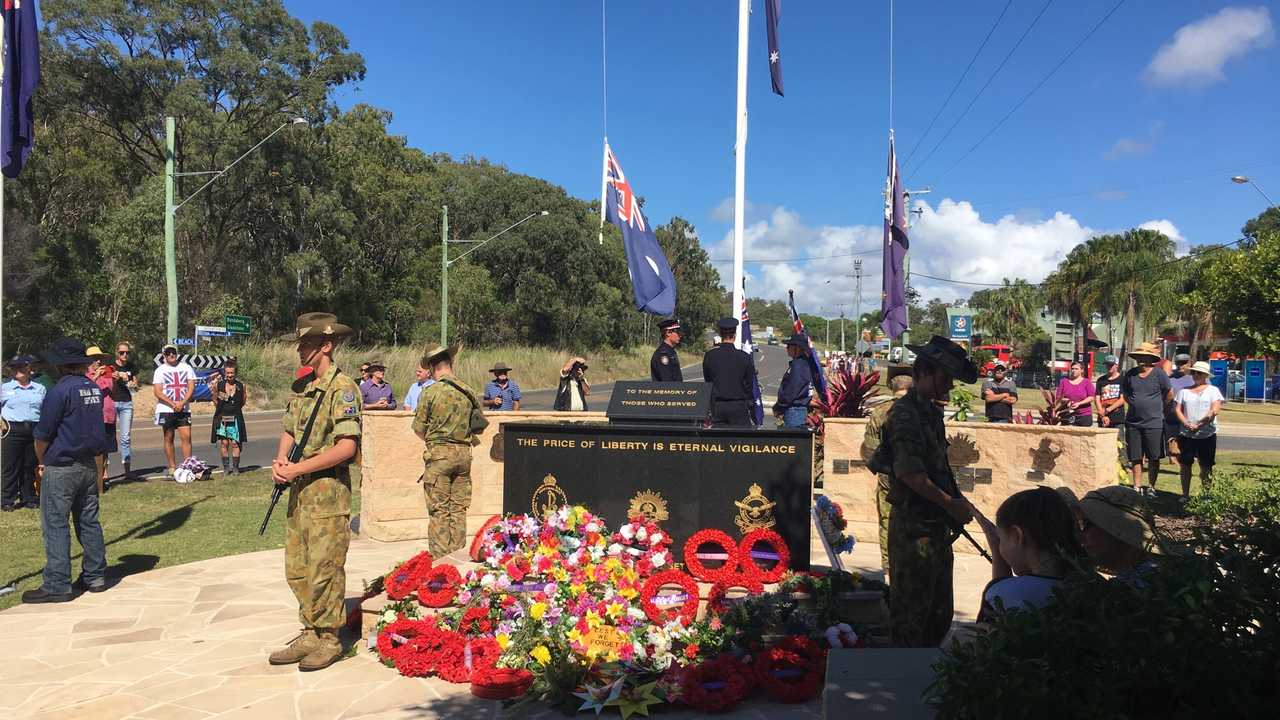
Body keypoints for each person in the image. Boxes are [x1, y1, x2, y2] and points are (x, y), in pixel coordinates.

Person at [267, 313, 362, 671]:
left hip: (327, 495)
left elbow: (346, 447)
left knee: (325, 568)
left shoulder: (343, 389)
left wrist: (298, 468)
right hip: (299, 493)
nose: (301, 350)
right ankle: (309, 630)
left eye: (307, 344)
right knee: (298, 568)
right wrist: (280, 463)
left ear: (326, 345)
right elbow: (290, 429)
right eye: (300, 344)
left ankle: (330, 638)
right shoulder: (304, 387)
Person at [878, 335, 978, 647]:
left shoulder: (930, 413)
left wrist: (955, 502)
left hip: (934, 528)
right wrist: (951, 504)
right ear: (923, 372)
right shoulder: (905, 414)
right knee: (912, 617)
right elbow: (910, 474)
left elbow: (937, 468)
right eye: (945, 378)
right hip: (914, 530)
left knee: (938, 613)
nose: (949, 387)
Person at [23, 338, 109, 603]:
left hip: (61, 466)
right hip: (87, 464)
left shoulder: (59, 391)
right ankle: (95, 576)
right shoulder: (92, 388)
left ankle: (57, 583)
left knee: (56, 524)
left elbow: (43, 434)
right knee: (88, 521)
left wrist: (41, 461)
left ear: (60, 365)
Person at [972, 487, 1088, 621]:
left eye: (1001, 539)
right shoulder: (1093, 589)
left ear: (1016, 536)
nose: (1000, 547)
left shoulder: (1000, 594)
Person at [412, 342, 480, 557]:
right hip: (464, 456)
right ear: (450, 363)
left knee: (439, 511)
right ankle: (458, 560)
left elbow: (419, 429)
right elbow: (477, 425)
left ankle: (440, 566)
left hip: (439, 456)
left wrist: (438, 441)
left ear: (432, 367)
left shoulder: (430, 392)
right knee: (458, 510)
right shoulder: (468, 391)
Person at [861, 365, 913, 582]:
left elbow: (870, 453)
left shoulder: (880, 412)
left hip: (889, 480)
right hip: (922, 481)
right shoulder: (924, 410)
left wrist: (886, 471)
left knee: (887, 522)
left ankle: (889, 570)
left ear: (892, 386)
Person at [1121, 342, 1172, 497]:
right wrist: (1137, 404)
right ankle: (1137, 487)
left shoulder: (1159, 374)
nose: (1142, 359)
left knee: (1154, 456)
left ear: (1151, 358)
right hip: (1133, 423)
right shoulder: (1130, 374)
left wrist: (1160, 409)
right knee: (1135, 456)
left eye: (1145, 356)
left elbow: (1169, 394)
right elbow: (1126, 394)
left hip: (1154, 422)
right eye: (1139, 356)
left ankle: (1151, 487)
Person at [1076, 485, 1160, 577]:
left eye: (1086, 524)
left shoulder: (1142, 585)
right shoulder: (1132, 572)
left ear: (1115, 533)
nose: (1080, 535)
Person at [1173, 361, 1223, 502]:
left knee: (1206, 466)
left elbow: (1215, 410)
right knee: (1185, 465)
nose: (1196, 375)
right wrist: (1186, 423)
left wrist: (1200, 424)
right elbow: (1177, 409)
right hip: (1186, 434)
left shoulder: (1213, 390)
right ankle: (1185, 495)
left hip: (1207, 434)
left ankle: (1206, 494)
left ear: (1206, 375)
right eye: (1194, 373)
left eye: (1199, 373)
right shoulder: (1183, 391)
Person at [2, 355, 45, 511]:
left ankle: (28, 497)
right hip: (11, 429)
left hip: (33, 429)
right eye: (14, 367)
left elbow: (44, 410)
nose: (17, 370)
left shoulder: (40, 389)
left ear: (29, 368)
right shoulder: (5, 388)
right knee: (10, 465)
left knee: (29, 465)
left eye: (21, 366)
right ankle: (8, 499)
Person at [702, 317, 756, 427]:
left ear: (720, 335)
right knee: (740, 443)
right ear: (734, 335)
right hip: (739, 407)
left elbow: (708, 381)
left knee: (718, 443)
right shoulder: (744, 357)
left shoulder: (710, 356)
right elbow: (749, 385)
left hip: (717, 407)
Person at [153, 344, 196, 479]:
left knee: (186, 437)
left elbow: (191, 386)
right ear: (164, 355)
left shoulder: (186, 368)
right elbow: (157, 391)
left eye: (173, 352)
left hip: (183, 409)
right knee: (168, 437)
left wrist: (182, 403)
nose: (171, 355)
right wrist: (172, 404)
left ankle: (188, 466)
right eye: (168, 353)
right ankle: (172, 467)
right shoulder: (160, 370)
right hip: (166, 409)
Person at [85, 347, 117, 492]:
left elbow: (114, 393)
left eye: (100, 358)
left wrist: (117, 379)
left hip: (108, 416)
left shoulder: (108, 374)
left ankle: (104, 476)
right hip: (93, 418)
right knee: (93, 450)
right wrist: (96, 377)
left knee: (106, 449)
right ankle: (92, 479)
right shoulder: (85, 376)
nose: (99, 361)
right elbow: (85, 390)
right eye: (95, 358)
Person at [210, 360, 248, 475]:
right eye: (227, 373)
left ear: (235, 373)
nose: (230, 375)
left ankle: (235, 468)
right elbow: (215, 399)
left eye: (232, 373)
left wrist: (233, 409)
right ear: (224, 373)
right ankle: (226, 469)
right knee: (224, 443)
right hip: (222, 418)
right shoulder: (219, 385)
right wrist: (221, 409)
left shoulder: (241, 386)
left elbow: (242, 401)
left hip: (236, 417)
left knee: (235, 443)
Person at [109, 342, 139, 478]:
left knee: (125, 438)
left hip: (126, 403)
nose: (125, 355)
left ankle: (127, 471)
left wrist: (131, 383)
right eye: (122, 352)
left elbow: (136, 387)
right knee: (108, 437)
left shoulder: (132, 367)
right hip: (111, 403)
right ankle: (104, 473)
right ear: (117, 353)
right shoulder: (111, 366)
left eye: (127, 352)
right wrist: (113, 376)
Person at [774, 334, 814, 428]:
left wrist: (779, 406)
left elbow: (791, 390)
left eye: (789, 346)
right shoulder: (803, 363)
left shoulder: (798, 365)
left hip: (794, 410)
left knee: (791, 441)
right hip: (798, 409)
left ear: (797, 348)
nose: (787, 348)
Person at [1164, 353, 1195, 461]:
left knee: (1188, 447)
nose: (1181, 366)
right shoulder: (1169, 379)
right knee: (1173, 447)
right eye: (1179, 363)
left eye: (1184, 363)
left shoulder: (1196, 377)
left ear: (1190, 363)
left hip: (1190, 418)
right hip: (1172, 417)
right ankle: (1174, 462)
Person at [1057, 360, 1095, 427]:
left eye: (1076, 369)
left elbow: (1091, 397)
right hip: (1067, 414)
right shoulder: (1064, 382)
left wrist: (1079, 403)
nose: (1074, 371)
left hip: (1084, 415)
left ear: (1082, 370)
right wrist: (1067, 401)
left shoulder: (1087, 382)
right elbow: (1058, 397)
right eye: (1072, 369)